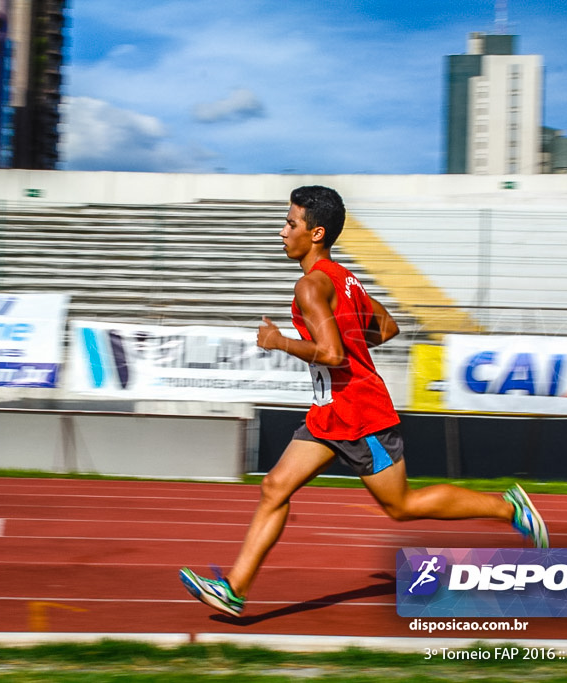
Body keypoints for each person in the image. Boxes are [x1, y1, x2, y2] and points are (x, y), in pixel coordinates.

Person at [179, 185, 548, 617]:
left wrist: (279, 341)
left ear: (315, 234)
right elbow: (387, 327)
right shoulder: (345, 279)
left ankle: (510, 508)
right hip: (330, 412)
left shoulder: (310, 286)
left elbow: (333, 355)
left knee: (401, 505)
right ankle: (234, 589)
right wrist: (350, 340)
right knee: (274, 486)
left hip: (361, 414)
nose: (282, 232)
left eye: (290, 223)